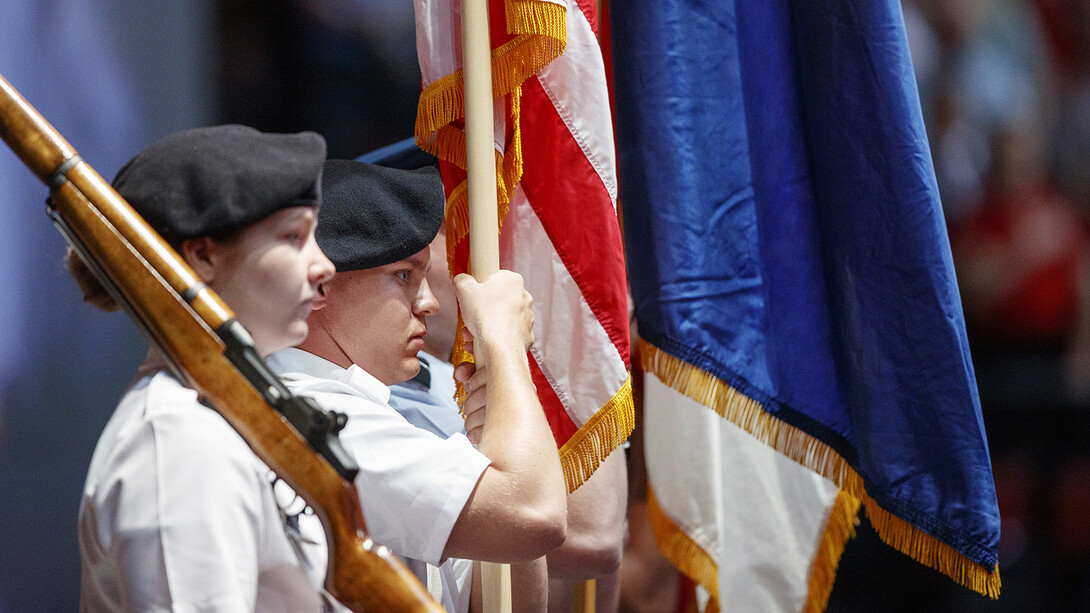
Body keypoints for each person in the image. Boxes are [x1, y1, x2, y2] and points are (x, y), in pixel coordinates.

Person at [267, 159, 568, 612]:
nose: (428, 303)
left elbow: (506, 599)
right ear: (321, 287)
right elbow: (536, 516)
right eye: (403, 276)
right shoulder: (321, 417)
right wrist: (505, 343)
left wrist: (494, 445)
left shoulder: (357, 411)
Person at [73, 125, 338, 611]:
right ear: (203, 255)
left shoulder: (221, 417)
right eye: (294, 236)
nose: (325, 266)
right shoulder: (179, 439)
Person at [387, 221, 628, 612]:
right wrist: (512, 343)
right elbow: (587, 535)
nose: (496, 267)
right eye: (404, 272)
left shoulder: (444, 380)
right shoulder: (383, 398)